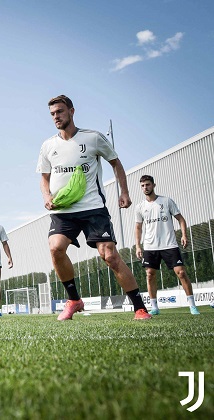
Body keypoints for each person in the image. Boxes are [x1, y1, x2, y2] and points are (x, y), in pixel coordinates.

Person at [37, 94, 150, 320]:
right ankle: (74, 300)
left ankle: (139, 307)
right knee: (55, 247)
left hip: (93, 208)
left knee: (109, 256)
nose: (56, 117)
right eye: (52, 114)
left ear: (72, 111)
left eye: (59, 111)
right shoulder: (48, 145)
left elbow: (115, 163)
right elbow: (44, 177)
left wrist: (124, 192)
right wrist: (47, 196)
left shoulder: (93, 138)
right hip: (63, 211)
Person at [134, 175, 200, 315]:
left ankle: (192, 306)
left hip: (169, 244)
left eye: (148, 185)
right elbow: (138, 228)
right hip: (150, 246)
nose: (145, 188)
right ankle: (155, 308)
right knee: (150, 274)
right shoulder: (140, 207)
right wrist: (138, 246)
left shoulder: (166, 201)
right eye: (143, 186)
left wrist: (184, 235)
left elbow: (181, 219)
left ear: (153, 185)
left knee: (181, 273)